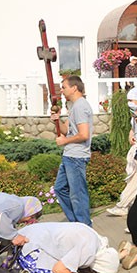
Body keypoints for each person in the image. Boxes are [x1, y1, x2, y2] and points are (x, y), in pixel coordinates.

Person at [15, 221, 118, 273]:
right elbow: (59, 270)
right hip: (30, 247)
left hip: (25, 236)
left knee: (71, 268)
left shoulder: (96, 239)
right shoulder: (88, 250)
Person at [50, 75, 93, 225]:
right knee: (59, 189)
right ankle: (76, 223)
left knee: (77, 195)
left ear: (74, 88)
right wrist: (57, 120)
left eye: (64, 87)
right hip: (69, 155)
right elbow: (67, 130)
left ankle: (84, 227)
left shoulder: (81, 106)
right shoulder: (75, 106)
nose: (61, 91)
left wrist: (64, 141)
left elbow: (84, 134)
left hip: (76, 157)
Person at [107, 87, 137, 217]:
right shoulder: (135, 113)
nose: (129, 103)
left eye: (131, 100)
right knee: (133, 177)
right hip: (136, 148)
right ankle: (133, 204)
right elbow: (133, 128)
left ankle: (123, 205)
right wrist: (131, 136)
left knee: (136, 178)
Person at [0, 192, 41, 263]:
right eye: (31, 218)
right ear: (30, 213)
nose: (25, 223)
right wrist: (15, 236)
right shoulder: (18, 205)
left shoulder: (12, 203)